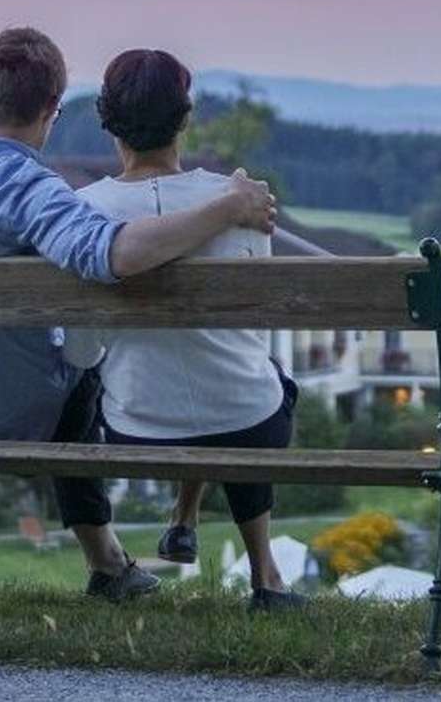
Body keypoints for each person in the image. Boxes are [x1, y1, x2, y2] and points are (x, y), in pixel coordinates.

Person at [0, 27, 277, 601]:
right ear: (52, 110)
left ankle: (115, 561)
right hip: (17, 417)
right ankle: (108, 565)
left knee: (79, 350)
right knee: (84, 364)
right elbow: (117, 256)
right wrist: (230, 206)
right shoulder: (34, 190)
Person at [64, 49, 305, 612]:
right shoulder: (243, 203)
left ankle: (175, 523)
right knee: (255, 384)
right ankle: (266, 579)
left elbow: (80, 354)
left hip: (139, 428)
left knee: (180, 374)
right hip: (249, 420)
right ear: (185, 118)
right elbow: (255, 332)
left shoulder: (83, 212)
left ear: (108, 123)